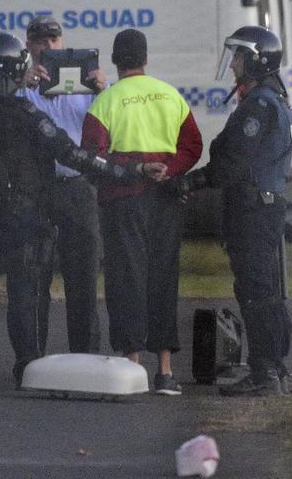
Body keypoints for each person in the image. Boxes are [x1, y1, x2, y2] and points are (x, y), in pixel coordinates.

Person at [0, 31, 159, 389]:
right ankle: (26, 365)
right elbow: (73, 155)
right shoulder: (25, 114)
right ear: (14, 69)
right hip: (20, 215)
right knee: (22, 290)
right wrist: (127, 172)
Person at [162, 26, 292, 396]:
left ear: (255, 59)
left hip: (253, 209)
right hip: (264, 206)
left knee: (255, 291)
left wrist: (190, 182)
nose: (233, 63)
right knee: (266, 289)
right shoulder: (274, 100)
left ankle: (265, 373)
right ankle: (274, 368)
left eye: (238, 56)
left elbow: (231, 163)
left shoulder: (258, 106)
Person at [81, 29, 203, 395]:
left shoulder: (106, 101)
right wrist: (171, 169)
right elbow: (193, 145)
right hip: (166, 199)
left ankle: (132, 367)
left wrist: (133, 167)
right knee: (163, 277)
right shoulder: (170, 95)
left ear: (115, 62)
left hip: (123, 200)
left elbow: (91, 157)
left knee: (126, 278)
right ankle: (165, 370)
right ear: (146, 59)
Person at [19, 15, 106, 355]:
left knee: (83, 277)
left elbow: (106, 128)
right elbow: (8, 119)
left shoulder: (82, 86)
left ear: (62, 42)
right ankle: (31, 360)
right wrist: (21, 83)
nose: (49, 47)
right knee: (33, 279)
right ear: (30, 45)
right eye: (41, 41)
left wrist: (103, 91)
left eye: (54, 40)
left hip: (76, 187)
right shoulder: (22, 86)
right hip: (36, 190)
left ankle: (85, 357)